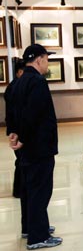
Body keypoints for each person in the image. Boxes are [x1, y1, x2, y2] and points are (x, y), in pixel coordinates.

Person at [6, 44, 63, 249]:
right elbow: (33, 114)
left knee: (29, 189)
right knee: (40, 190)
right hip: (38, 146)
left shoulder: (19, 82)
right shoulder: (37, 81)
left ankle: (30, 227)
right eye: (46, 59)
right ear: (38, 60)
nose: (47, 62)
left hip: (27, 147)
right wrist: (23, 137)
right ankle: (38, 237)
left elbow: (12, 109)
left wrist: (14, 132)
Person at [4, 59, 26, 198]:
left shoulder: (14, 86)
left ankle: (19, 189)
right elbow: (15, 112)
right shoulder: (15, 88)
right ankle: (18, 190)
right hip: (17, 129)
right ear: (19, 72)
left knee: (21, 160)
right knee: (21, 161)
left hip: (15, 128)